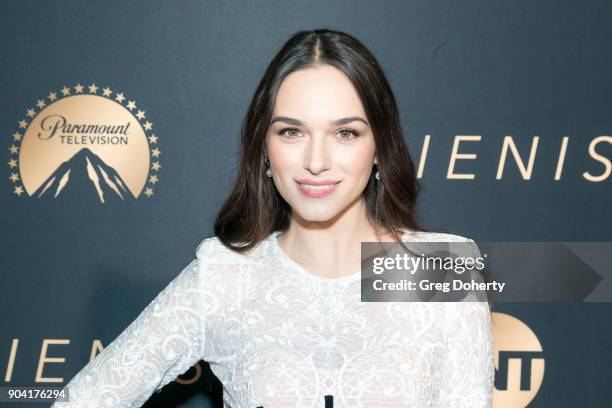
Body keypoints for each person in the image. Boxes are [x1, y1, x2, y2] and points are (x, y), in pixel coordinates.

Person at [51, 28, 494, 407]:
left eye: (345, 133)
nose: (316, 160)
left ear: (379, 146)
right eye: (291, 131)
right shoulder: (225, 276)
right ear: (264, 148)